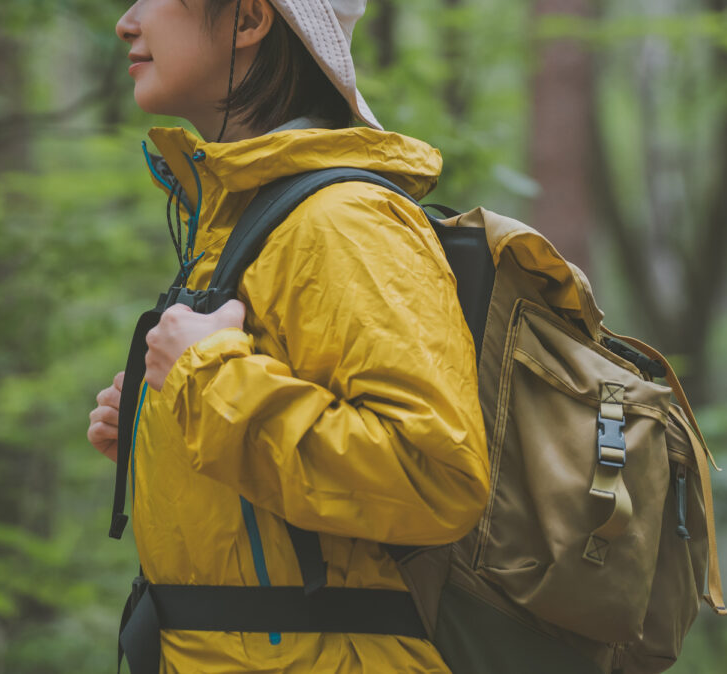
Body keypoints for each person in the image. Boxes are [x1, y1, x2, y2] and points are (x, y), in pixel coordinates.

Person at [85, 0, 489, 671]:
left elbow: (433, 475)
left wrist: (205, 377)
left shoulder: (346, 221)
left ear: (247, 21)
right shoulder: (247, 217)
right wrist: (164, 426)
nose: (127, 22)